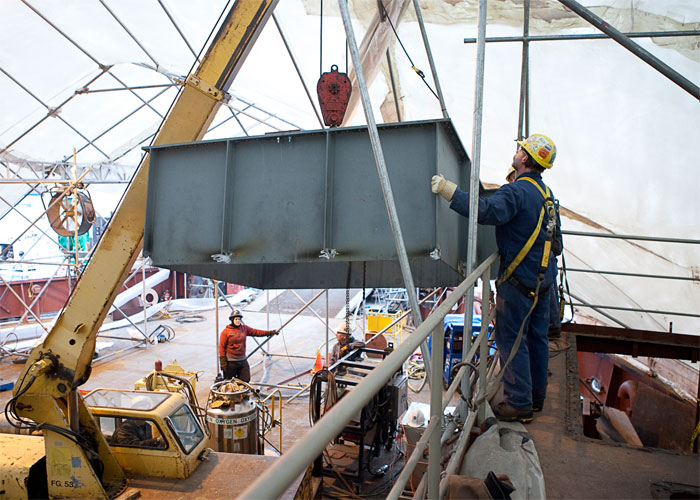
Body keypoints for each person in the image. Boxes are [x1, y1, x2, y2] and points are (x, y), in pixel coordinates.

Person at [431, 134, 562, 423]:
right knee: (537, 337)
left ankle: (519, 403)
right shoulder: (548, 197)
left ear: (525, 159)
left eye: (520, 150)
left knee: (511, 339)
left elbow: (487, 211)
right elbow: (558, 246)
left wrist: (450, 191)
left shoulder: (515, 192)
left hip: (519, 282)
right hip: (544, 281)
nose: (516, 153)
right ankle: (536, 398)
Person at [218, 309, 278, 382]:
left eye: (239, 319)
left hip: (242, 360)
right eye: (236, 319)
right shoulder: (226, 332)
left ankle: (241, 393)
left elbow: (257, 332)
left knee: (245, 380)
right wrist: (223, 363)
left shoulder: (244, 328)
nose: (238, 321)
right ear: (232, 320)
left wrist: (270, 332)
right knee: (229, 383)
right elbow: (221, 347)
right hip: (230, 362)